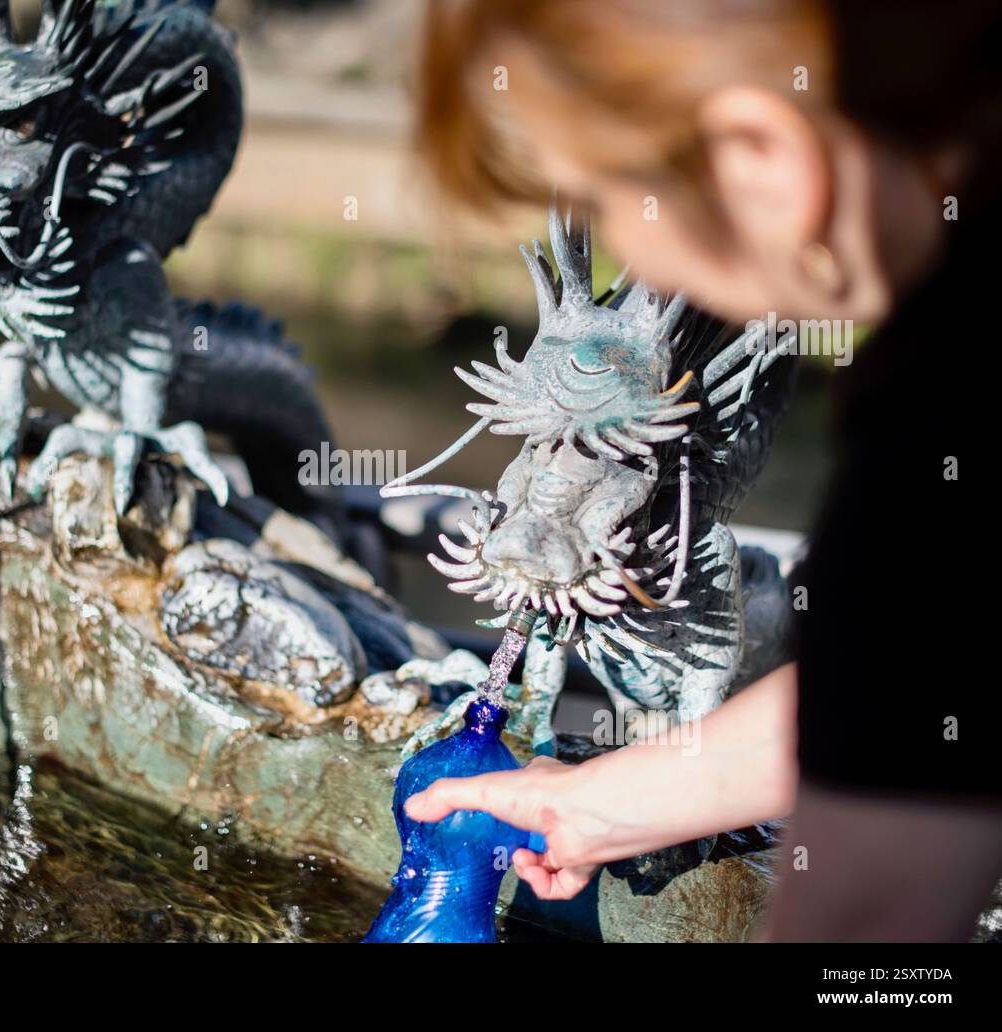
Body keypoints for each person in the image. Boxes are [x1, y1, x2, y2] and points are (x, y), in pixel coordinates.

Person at [402, 0, 1000, 941]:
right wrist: (609, 801)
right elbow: (928, 672)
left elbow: (874, 931)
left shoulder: (945, 412)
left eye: (606, 203)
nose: (625, 258)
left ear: (759, 157)